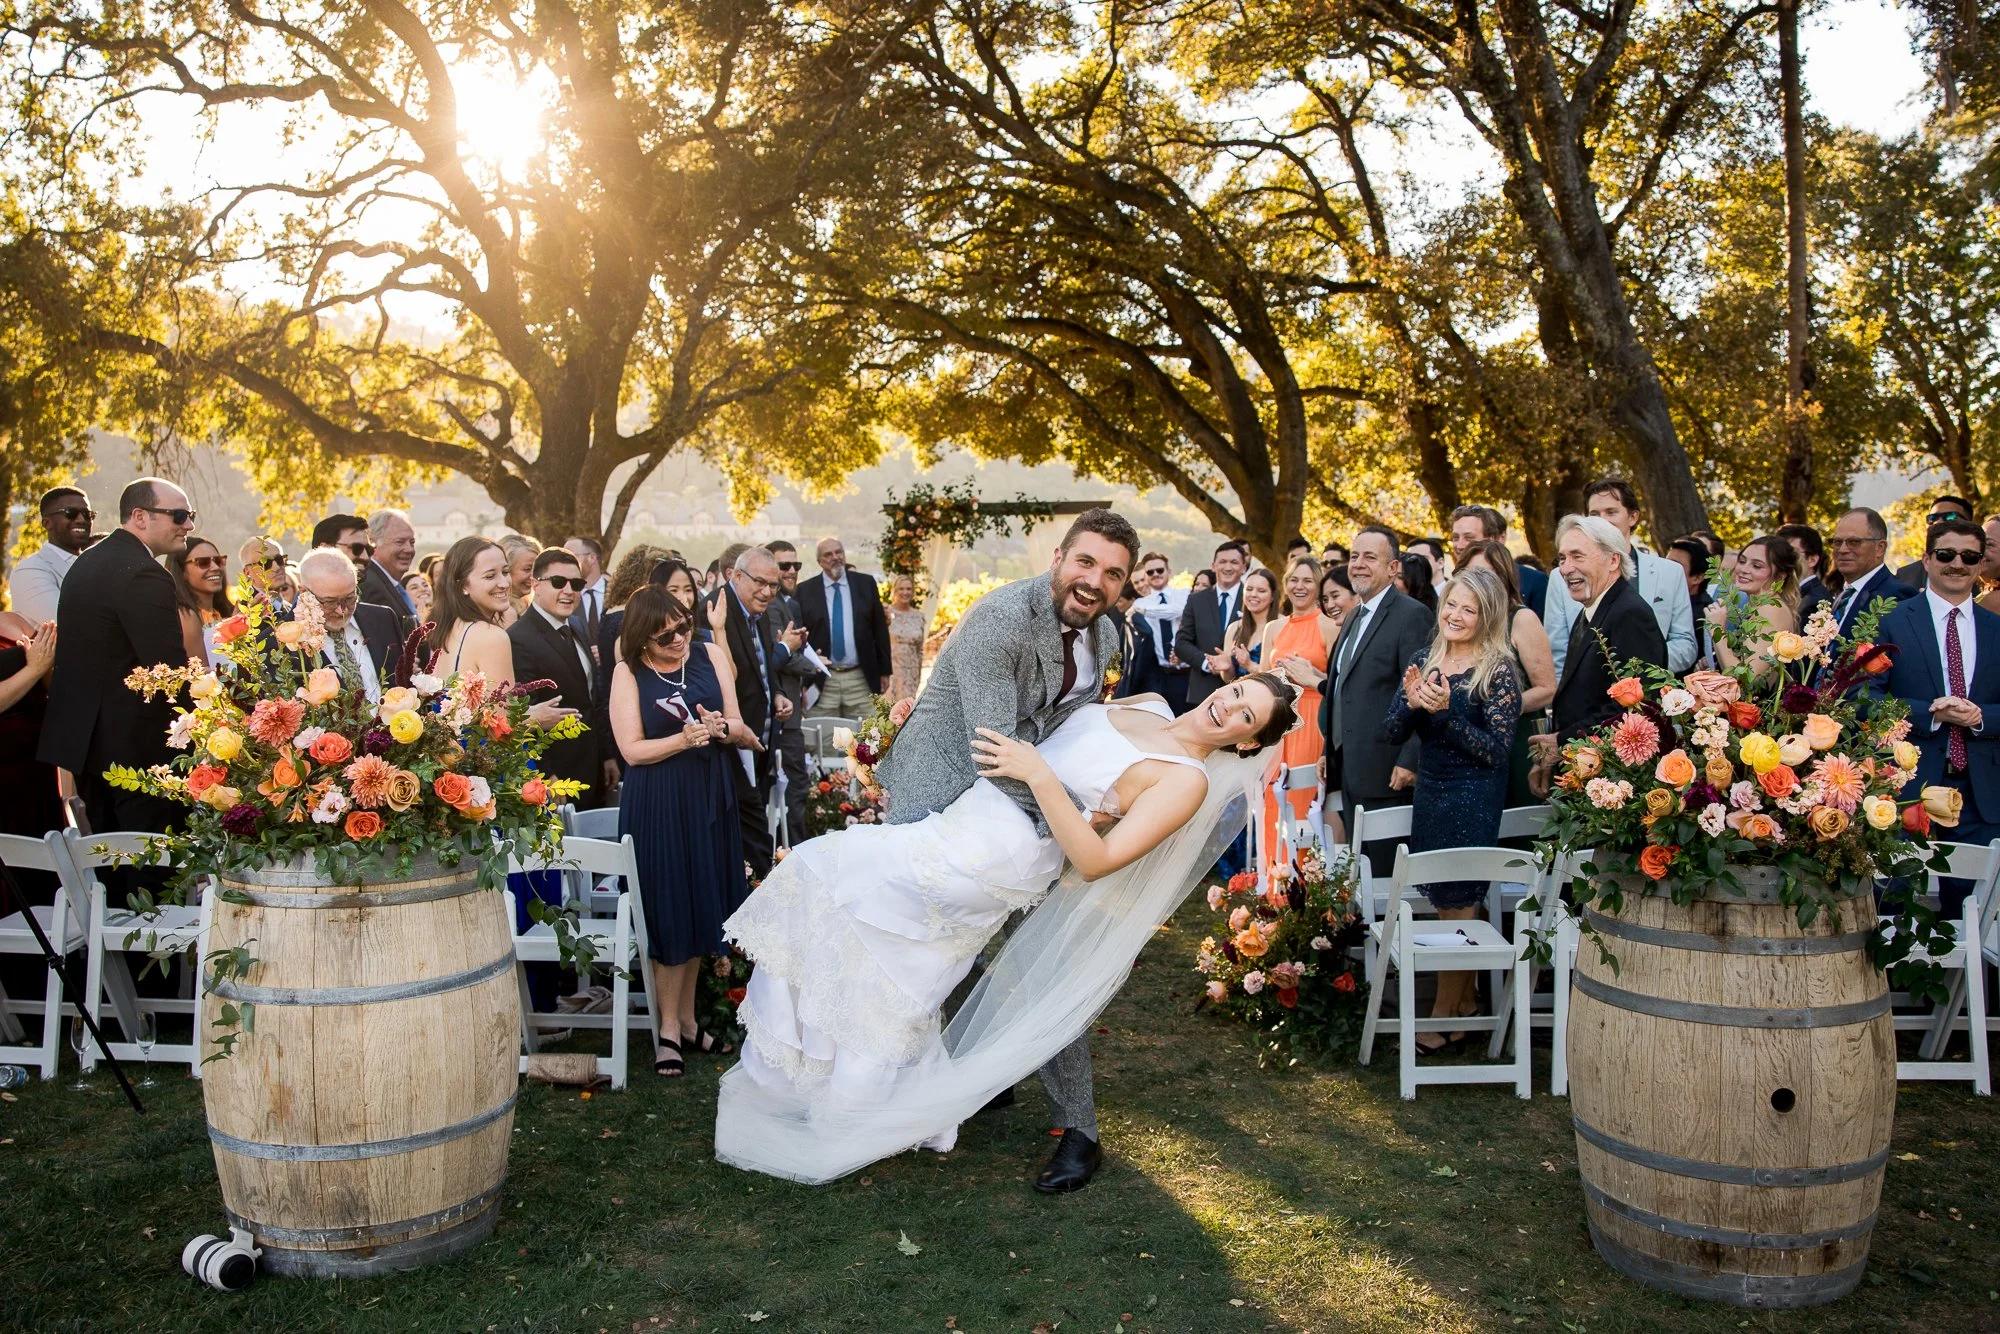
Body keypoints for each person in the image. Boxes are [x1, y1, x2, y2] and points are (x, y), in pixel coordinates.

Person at [718, 511, 1292, 1188]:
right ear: (1059, 557)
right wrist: (1061, 800)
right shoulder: (1015, 626)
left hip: (1017, 843)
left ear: (1248, 743)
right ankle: (943, 1078)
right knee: (917, 955)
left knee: (1026, 973)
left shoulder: (1120, 657)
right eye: (1085, 563)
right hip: (955, 794)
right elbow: (1000, 741)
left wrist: (1062, 806)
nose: (1095, 581)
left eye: (1112, 573)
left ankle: (1076, 1129)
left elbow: (1065, 776)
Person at [611, 588, 754, 1076]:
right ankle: (667, 1029)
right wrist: (682, 739)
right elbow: (631, 751)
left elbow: (737, 721)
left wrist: (720, 729)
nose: (678, 639)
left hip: (710, 795)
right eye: (665, 635)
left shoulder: (709, 655)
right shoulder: (628, 672)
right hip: (659, 801)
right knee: (670, 904)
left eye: (683, 626)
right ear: (642, 639)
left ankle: (689, 1021)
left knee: (699, 904)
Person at [1380, 569, 1522, 1051]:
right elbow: (1391, 732)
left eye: (1469, 609)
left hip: (1474, 798)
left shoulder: (1499, 670)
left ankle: (1442, 1016)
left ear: (1488, 617)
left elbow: (1495, 751)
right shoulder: (1425, 659)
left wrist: (1445, 714)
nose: (1455, 615)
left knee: (1459, 905)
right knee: (1445, 903)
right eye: (1452, 604)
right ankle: (1465, 1007)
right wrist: (1412, 705)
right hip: (1431, 795)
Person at [37, 478, 194, 835]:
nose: (188, 525)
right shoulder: (145, 572)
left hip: (88, 747)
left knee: (108, 856)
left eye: (190, 515)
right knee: (153, 861)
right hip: (139, 753)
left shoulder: (86, 563)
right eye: (179, 515)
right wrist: (205, 727)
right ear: (140, 516)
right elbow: (168, 671)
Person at [1872, 519, 2000, 920]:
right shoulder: (1892, 621)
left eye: (1969, 556)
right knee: (1892, 907)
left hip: (1980, 795)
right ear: (1927, 559)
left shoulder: (1996, 628)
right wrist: (1929, 712)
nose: (1957, 564)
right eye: (1946, 554)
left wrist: (1980, 717)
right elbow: (1863, 699)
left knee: (1973, 916)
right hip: (1907, 785)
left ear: (1980, 564)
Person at [1319, 527, 1431, 835]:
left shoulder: (1412, 616)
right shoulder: (1353, 617)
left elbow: (1421, 692)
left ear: (1393, 568)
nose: (1358, 564)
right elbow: (1342, 688)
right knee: (1358, 862)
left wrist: (1410, 759)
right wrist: (1329, 750)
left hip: (1389, 772)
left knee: (1386, 862)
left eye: (1370, 557)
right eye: (1354, 556)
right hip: (1348, 769)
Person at [1543, 477, 1698, 676]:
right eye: (1594, 514)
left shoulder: (1670, 572)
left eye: (1611, 512)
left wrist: (1641, 664)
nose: (1602, 520)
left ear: (1633, 517)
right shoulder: (1560, 577)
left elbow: (1685, 643)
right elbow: (1557, 652)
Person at [421, 536, 578, 731]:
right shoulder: (492, 637)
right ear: (463, 585)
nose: (504, 583)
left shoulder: (447, 628)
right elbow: (500, 724)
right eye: (490, 576)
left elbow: (473, 715)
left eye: (505, 572)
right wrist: (535, 717)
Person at [1540, 515, 1668, 745]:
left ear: (1613, 560)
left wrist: (1562, 741)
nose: (1565, 569)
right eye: (1562, 558)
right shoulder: (1592, 609)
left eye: (1577, 556)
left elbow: (1636, 707)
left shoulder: (1630, 614)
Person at [507, 547, 612, 809]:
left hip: (594, 767)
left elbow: (592, 699)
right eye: (558, 582)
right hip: (557, 779)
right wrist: (546, 774)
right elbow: (523, 713)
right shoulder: (518, 638)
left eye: (576, 584)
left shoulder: (577, 625)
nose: (568, 590)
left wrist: (607, 755)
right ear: (536, 584)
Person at [1457, 540, 1557, 806]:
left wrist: (1499, 707)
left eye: (1487, 574)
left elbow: (1547, 688)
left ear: (1505, 577)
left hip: (1515, 740)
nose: (1479, 582)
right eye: (1471, 574)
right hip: (1469, 745)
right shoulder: (1458, 621)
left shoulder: (1521, 619)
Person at [709, 548, 788, 877]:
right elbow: (718, 678)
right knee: (749, 841)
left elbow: (762, 666)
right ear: (736, 576)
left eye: (774, 585)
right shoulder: (715, 610)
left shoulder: (762, 613)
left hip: (760, 742)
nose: (767, 592)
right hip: (729, 747)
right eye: (760, 583)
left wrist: (777, 693)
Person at [1259, 557, 1338, 867]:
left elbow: (1337, 683)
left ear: (1318, 585)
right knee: (1274, 799)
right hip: (1279, 725)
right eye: (1294, 579)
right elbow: (1261, 679)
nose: (1299, 586)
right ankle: (1275, 881)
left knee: (1303, 798)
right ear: (1285, 584)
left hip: (1311, 721)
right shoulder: (1273, 627)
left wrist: (1310, 676)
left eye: (1307, 580)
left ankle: (1307, 878)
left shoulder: (1328, 626)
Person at [764, 540, 823, 842]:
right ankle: (792, 849)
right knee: (794, 784)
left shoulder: (792, 604)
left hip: (792, 708)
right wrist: (813, 667)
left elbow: (793, 649)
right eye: (783, 565)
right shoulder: (770, 606)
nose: (791, 571)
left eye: (795, 565)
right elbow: (778, 655)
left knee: (797, 786)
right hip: (779, 713)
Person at [797, 537, 892, 718]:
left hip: (860, 679)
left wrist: (885, 671)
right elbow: (800, 639)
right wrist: (801, 681)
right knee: (823, 734)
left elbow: (879, 628)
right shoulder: (804, 591)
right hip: (822, 681)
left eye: (838, 552)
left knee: (867, 734)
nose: (835, 557)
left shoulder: (866, 584)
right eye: (828, 554)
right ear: (819, 561)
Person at [296, 549, 400, 702]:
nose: (341, 610)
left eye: (350, 598)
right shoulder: (282, 642)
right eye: (330, 602)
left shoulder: (383, 619)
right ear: (304, 592)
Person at [1801, 507, 1919, 642]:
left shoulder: (1896, 595)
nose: (1842, 550)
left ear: (1880, 548)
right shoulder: (1843, 595)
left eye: (1854, 542)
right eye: (1837, 542)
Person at [0, 614, 60, 840]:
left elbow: (54, 687)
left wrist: (48, 665)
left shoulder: (13, 621)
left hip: (37, 760)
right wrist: (34, 669)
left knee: (47, 839)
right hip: (4, 769)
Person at [1706, 535, 1802, 676]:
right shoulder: (1759, 606)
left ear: (1780, 576)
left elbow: (1748, 678)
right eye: (1742, 561)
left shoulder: (1771, 610)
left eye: (1757, 566)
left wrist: (1717, 630)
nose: (1744, 569)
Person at [1175, 539, 1250, 713]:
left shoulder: (1252, 599)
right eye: (1222, 561)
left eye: (1234, 562)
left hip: (1242, 693)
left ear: (1244, 567)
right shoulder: (1196, 600)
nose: (1228, 567)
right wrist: (1208, 663)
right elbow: (1181, 643)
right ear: (1213, 566)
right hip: (1203, 692)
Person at [11, 488, 95, 623]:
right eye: (70, 513)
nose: (81, 519)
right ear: (47, 523)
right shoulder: (29, 570)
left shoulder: (96, 564)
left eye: (87, 514)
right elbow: (66, 623)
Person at [1449, 503, 1547, 616]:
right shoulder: (1453, 584)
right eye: (1455, 538)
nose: (1459, 545)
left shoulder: (1534, 582)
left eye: (1469, 538)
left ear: (1491, 539)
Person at [1124, 551, 1190, 711]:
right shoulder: (1140, 602)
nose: (1155, 574)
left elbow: (1176, 611)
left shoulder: (1184, 594)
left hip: (1187, 673)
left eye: (1160, 570)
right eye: (1150, 572)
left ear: (1169, 571)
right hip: (1159, 676)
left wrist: (1144, 610)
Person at [168, 537, 235, 665]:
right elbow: (202, 672)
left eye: (218, 560)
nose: (215, 567)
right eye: (203, 562)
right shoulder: (185, 616)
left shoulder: (227, 611)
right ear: (182, 572)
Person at [359, 509, 420, 642]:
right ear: (373, 543)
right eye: (400, 542)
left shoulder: (388, 582)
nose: (409, 549)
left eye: (412, 542)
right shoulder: (369, 585)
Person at [1894, 495, 1975, 590]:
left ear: (1969, 525)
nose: (1938, 522)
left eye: (1950, 517)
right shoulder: (1905, 576)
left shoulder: (1982, 573)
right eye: (1932, 518)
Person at [1218, 568, 1278, 682]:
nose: (1253, 594)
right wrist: (1226, 668)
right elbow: (1228, 680)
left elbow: (1281, 678)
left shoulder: (1281, 625)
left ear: (1272, 596)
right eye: (1249, 589)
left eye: (1261, 591)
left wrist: (1249, 665)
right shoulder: (1234, 628)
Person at [564, 536, 609, 659]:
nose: (564, 563)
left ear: (592, 558)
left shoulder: (619, 594)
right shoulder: (564, 596)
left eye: (570, 557)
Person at [886, 573, 927, 701]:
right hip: (891, 672)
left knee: (906, 709)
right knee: (886, 709)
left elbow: (920, 650)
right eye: (901, 589)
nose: (905, 592)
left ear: (913, 591)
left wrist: (917, 676)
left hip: (911, 674)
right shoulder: (886, 613)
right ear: (895, 591)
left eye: (909, 589)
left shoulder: (919, 616)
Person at [238, 535, 293, 614]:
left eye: (279, 560)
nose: (277, 567)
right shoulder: (245, 613)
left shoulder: (290, 608)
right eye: (266, 563)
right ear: (247, 573)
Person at [1778, 522, 1830, 604]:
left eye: (1790, 552)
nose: (1781, 558)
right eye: (1778, 552)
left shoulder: (1817, 600)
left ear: (1812, 560)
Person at [498, 533, 540, 626]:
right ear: (506, 570)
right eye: (527, 569)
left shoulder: (530, 605)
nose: (534, 576)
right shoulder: (504, 613)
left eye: (537, 569)